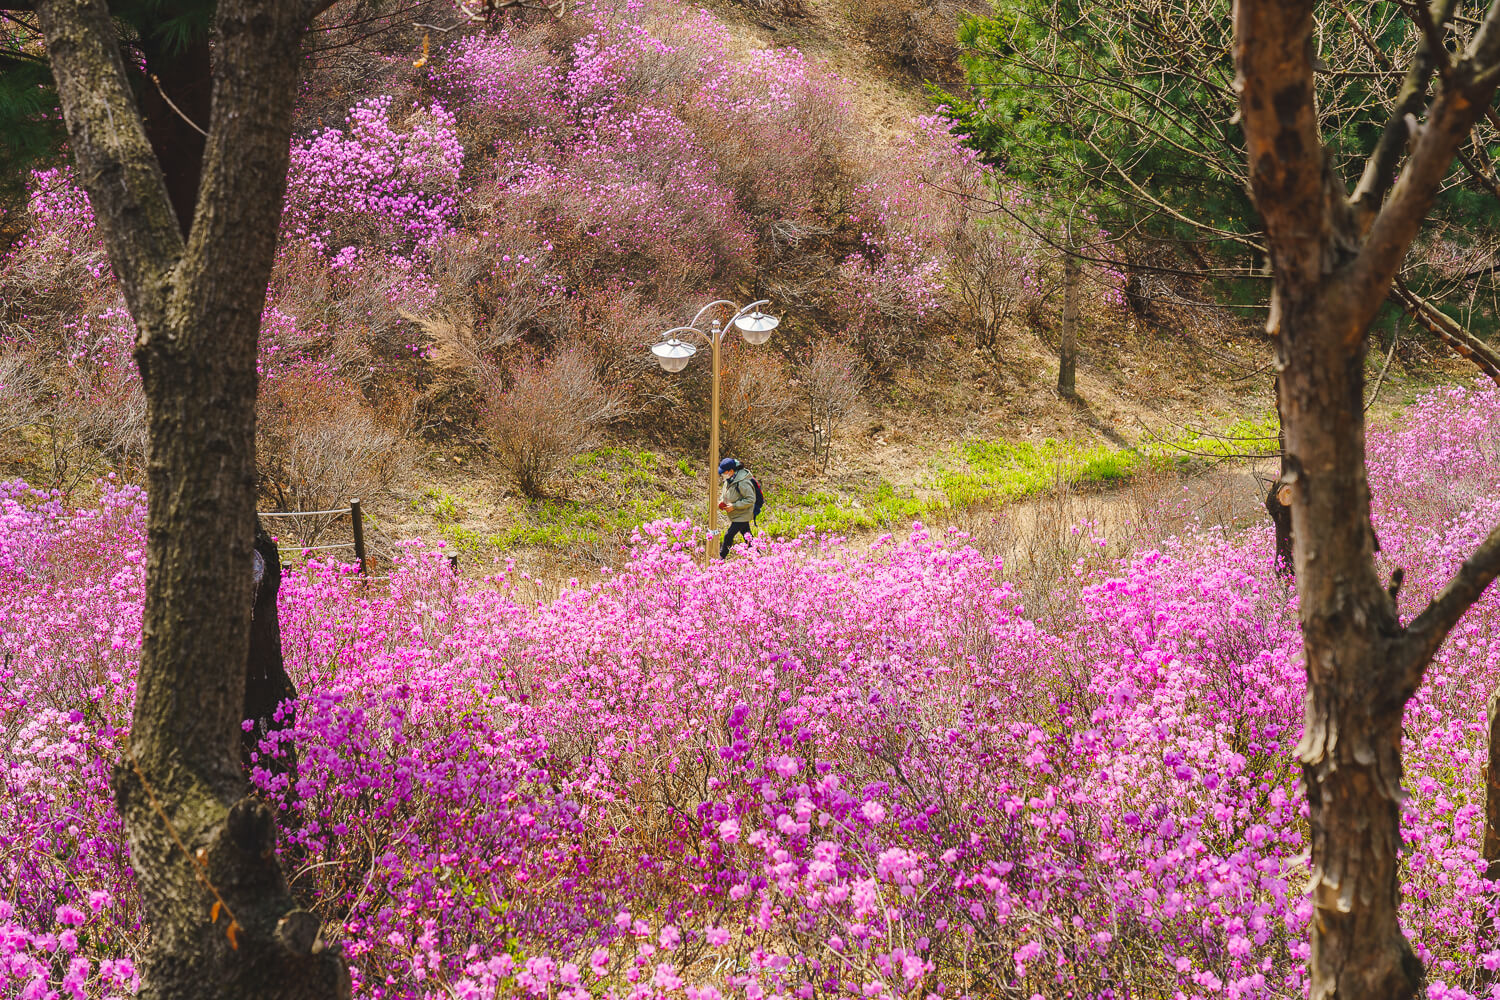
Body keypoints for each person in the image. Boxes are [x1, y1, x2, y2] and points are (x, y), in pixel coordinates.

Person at [717, 457, 755, 558]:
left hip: (742, 514)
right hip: (737, 514)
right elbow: (725, 494)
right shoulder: (728, 480)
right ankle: (757, 556)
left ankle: (721, 557)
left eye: (724, 472)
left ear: (731, 471)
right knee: (748, 536)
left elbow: (751, 499)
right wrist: (721, 502)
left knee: (728, 535)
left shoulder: (743, 482)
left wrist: (734, 506)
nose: (722, 475)